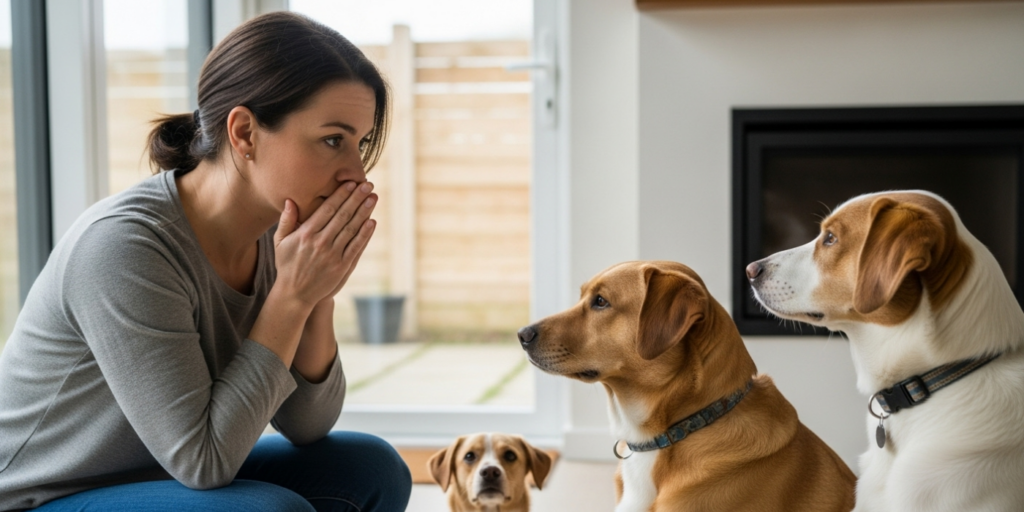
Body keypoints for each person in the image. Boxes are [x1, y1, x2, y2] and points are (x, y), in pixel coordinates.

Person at [0, 11, 412, 511]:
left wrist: (316, 297)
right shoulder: (125, 247)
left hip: (163, 476)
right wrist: (291, 296)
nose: (355, 173)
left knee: (371, 468)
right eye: (333, 140)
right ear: (244, 134)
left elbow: (308, 425)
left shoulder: (275, 235)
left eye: (361, 144)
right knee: (266, 510)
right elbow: (204, 462)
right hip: (44, 495)